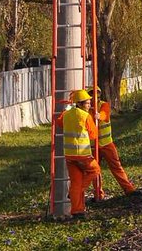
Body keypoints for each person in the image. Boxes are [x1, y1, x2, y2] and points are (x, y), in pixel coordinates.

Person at [55, 89, 100, 218]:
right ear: (79, 104)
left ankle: (77, 211)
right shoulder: (85, 116)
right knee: (95, 170)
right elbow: (93, 135)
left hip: (69, 155)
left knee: (75, 181)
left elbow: (59, 123)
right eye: (87, 103)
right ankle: (76, 191)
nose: (89, 105)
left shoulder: (66, 114)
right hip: (83, 154)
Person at [91, 89, 138, 201]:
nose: (95, 98)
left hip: (107, 144)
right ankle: (98, 195)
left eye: (97, 95)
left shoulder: (104, 105)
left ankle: (129, 189)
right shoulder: (86, 109)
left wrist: (99, 116)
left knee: (116, 167)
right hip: (93, 146)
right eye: (92, 95)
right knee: (94, 171)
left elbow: (105, 115)